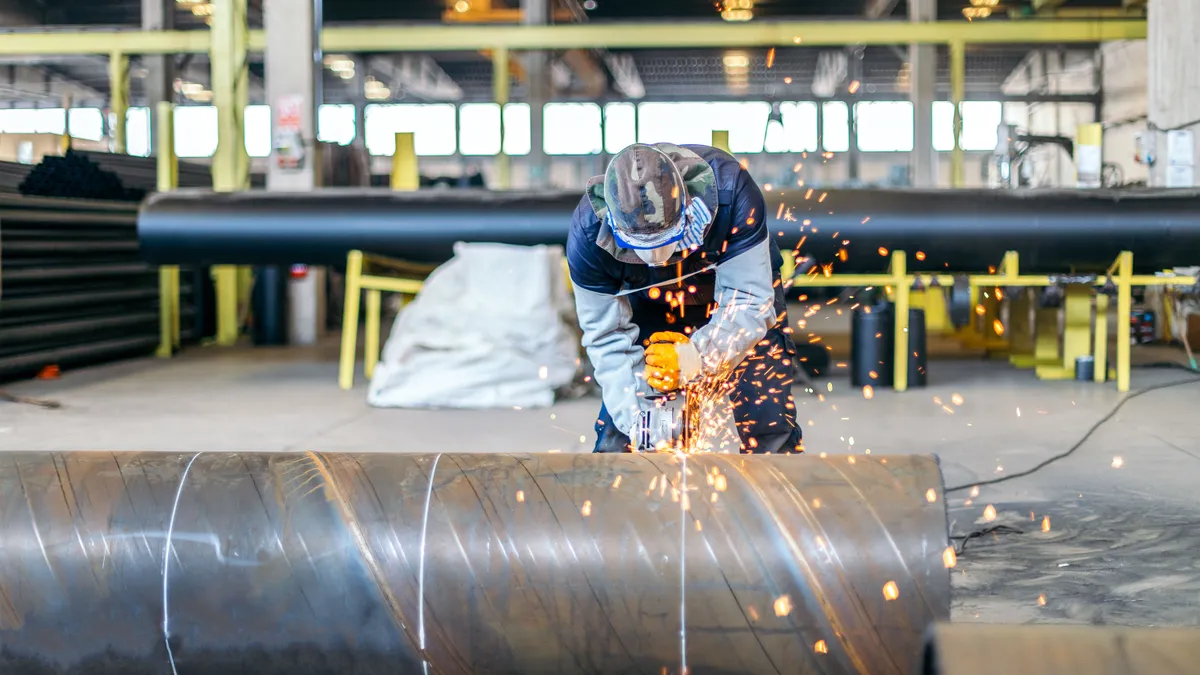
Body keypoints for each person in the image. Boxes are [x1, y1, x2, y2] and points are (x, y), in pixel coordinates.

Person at [567, 142, 802, 453]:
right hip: (649, 301)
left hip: (736, 298)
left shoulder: (733, 191)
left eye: (666, 241)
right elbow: (606, 337)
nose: (656, 257)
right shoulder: (588, 234)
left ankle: (778, 494)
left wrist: (695, 359)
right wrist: (639, 422)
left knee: (767, 415)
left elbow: (749, 302)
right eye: (640, 246)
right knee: (619, 440)